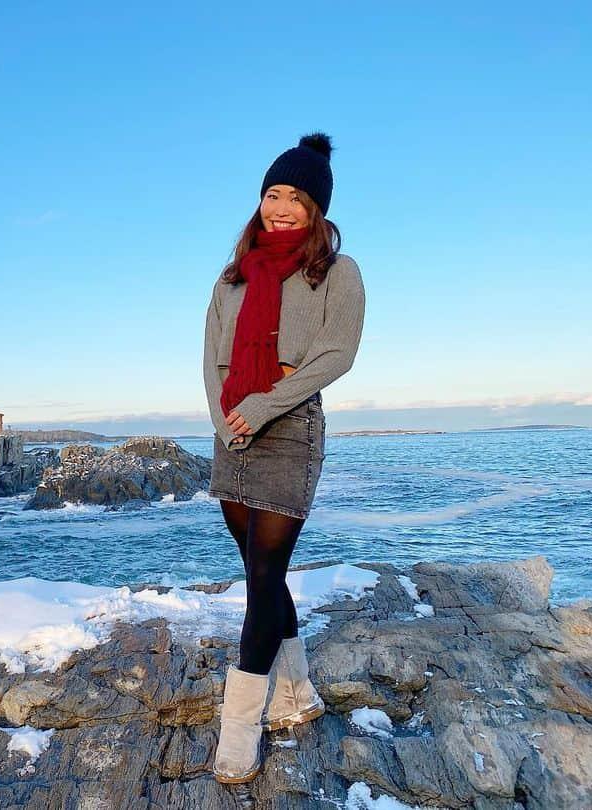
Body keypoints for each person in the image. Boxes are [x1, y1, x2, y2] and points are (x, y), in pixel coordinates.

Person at [202, 132, 366, 784]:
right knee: (259, 574)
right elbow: (213, 357)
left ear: (316, 210)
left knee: (265, 575)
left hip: (289, 424)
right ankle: (295, 693)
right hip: (233, 430)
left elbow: (335, 356)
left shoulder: (336, 272)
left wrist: (264, 406)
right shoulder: (231, 276)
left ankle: (238, 727)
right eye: (274, 193)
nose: (281, 206)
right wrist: (226, 422)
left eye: (296, 198)